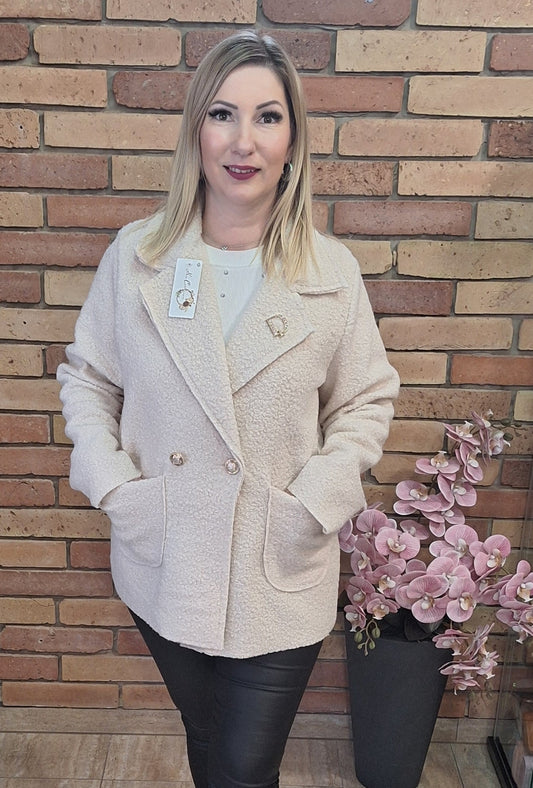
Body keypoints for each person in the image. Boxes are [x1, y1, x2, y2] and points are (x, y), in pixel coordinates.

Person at [57, 30, 400, 788]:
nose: (244, 141)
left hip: (279, 562)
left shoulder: (330, 273)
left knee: (243, 766)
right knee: (208, 738)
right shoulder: (138, 258)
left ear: (292, 140)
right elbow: (88, 378)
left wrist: (315, 502)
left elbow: (365, 399)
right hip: (166, 555)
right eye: (222, 114)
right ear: (196, 132)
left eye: (267, 117)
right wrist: (114, 487)